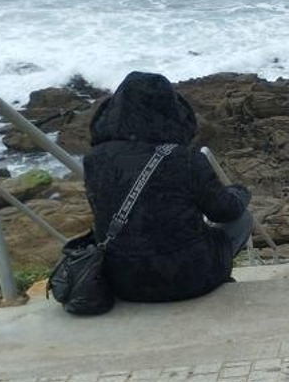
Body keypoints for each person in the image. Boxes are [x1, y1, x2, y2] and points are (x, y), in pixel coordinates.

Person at [83, 71, 252, 304]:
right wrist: (241, 192)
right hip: (190, 278)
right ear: (171, 109)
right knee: (242, 218)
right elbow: (225, 211)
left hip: (122, 282)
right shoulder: (185, 159)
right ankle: (217, 276)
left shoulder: (95, 159)